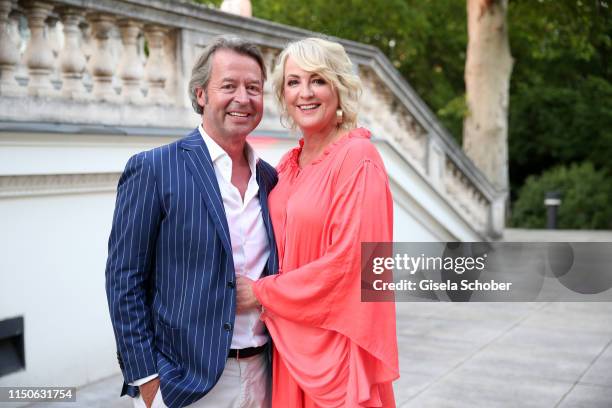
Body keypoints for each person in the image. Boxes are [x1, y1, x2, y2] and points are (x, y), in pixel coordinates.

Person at [105, 35, 277, 408]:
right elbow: (124, 281)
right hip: (185, 385)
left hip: (266, 375)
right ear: (201, 94)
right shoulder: (154, 168)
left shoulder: (272, 179)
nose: (243, 99)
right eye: (228, 86)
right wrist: (147, 382)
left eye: (254, 88)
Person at [237, 37, 399, 407]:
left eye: (318, 80)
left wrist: (261, 292)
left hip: (335, 347)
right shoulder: (286, 165)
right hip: (287, 342)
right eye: (293, 82)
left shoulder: (359, 158)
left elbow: (353, 267)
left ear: (338, 87)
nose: (304, 93)